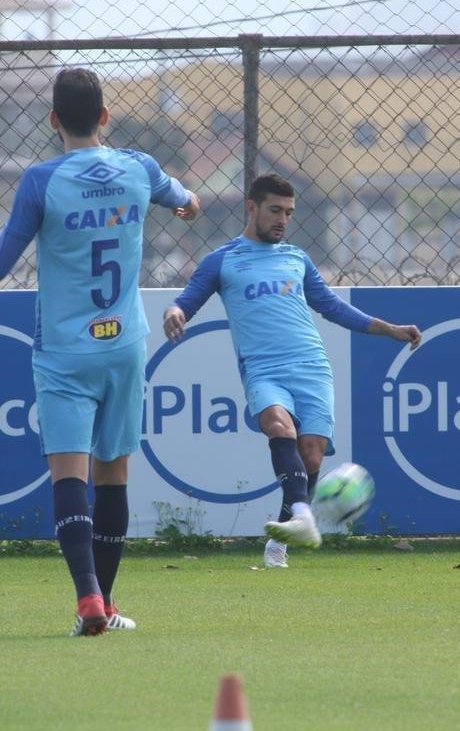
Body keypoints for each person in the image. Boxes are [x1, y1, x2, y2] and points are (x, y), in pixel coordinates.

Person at [0, 67, 200, 634]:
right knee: (114, 474)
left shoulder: (41, 182)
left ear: (53, 120)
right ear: (105, 117)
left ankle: (88, 598)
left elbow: (5, 256)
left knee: (70, 473)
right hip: (125, 346)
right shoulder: (139, 167)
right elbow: (187, 200)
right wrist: (187, 205)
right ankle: (108, 605)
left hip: (65, 349)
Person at [163, 173, 421, 568]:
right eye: (275, 210)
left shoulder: (296, 258)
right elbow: (188, 299)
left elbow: (332, 307)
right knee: (279, 427)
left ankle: (279, 542)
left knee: (312, 455)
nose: (283, 219)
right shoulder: (223, 259)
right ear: (252, 208)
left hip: (312, 365)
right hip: (263, 368)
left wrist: (390, 330)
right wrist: (175, 311)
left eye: (289, 212)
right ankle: (304, 518)